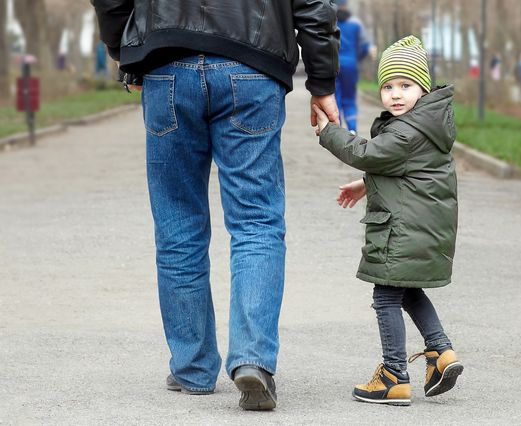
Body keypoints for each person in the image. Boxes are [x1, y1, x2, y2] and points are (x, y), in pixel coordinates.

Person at [91, 0, 340, 411]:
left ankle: (192, 368)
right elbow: (315, 5)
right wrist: (323, 81)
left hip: (167, 64)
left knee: (177, 222)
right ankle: (252, 359)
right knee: (257, 221)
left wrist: (125, 48)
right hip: (252, 67)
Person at [313, 36, 462, 406]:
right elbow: (407, 171)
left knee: (385, 295)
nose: (396, 94)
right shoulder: (426, 123)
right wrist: (367, 185)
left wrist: (328, 132)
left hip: (405, 228)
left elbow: (367, 153)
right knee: (407, 289)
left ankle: (394, 375)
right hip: (421, 225)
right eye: (388, 86)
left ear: (423, 88)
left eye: (406, 86)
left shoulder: (408, 130)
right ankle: (441, 352)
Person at [335, 0, 370, 134]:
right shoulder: (355, 25)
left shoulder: (330, 24)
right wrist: (356, 59)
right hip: (351, 65)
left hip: (333, 65)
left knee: (335, 96)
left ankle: (336, 128)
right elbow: (365, 47)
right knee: (349, 98)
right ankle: (352, 129)